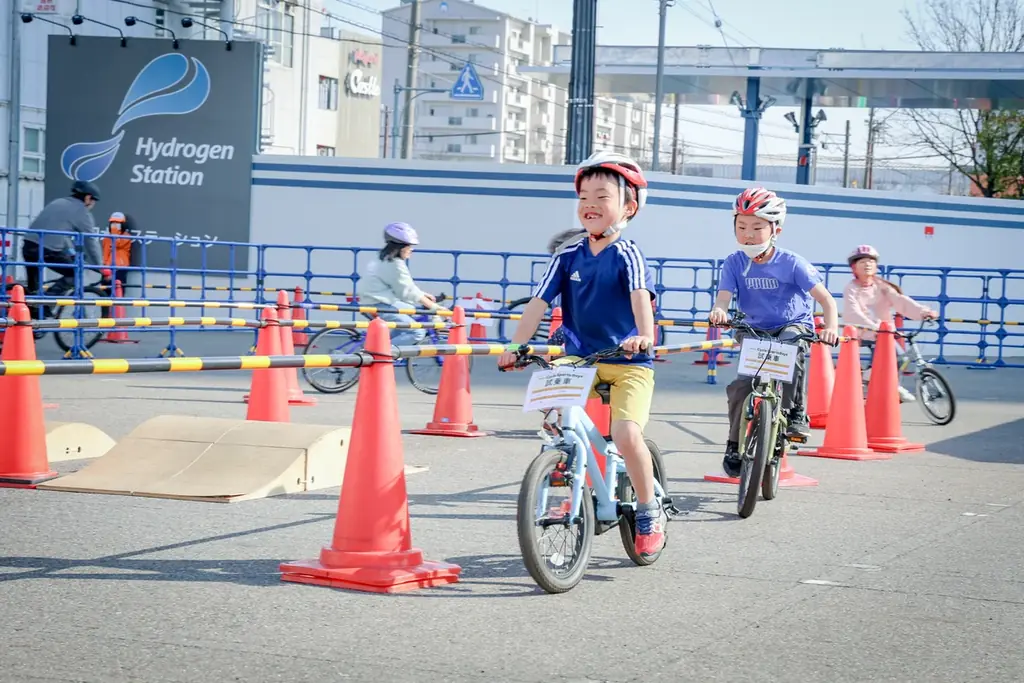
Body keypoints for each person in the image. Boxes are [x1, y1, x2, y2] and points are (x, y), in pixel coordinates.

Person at [497, 151, 666, 558]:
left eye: (602, 196)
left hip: (627, 363)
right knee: (557, 420)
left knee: (626, 435)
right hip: (580, 359)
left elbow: (640, 295)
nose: (589, 203)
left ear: (628, 207)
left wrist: (644, 335)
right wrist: (516, 345)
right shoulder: (566, 256)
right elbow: (538, 302)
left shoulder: (627, 253)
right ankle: (565, 475)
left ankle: (648, 510)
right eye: (584, 195)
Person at [708, 187, 840, 479]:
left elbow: (826, 300)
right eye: (741, 226)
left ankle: (796, 412)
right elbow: (724, 297)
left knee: (791, 350)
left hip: (792, 324)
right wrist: (720, 311)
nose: (748, 234)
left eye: (757, 227)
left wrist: (830, 328)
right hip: (754, 327)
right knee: (742, 386)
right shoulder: (734, 262)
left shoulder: (792, 262)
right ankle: (733, 444)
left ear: (775, 229)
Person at [843, 244, 938, 403]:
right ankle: (888, 386)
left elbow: (901, 301)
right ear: (854, 267)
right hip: (865, 331)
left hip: (885, 332)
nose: (867, 265)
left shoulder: (882, 286)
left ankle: (877, 383)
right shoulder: (851, 288)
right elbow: (853, 312)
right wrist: (874, 327)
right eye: (862, 262)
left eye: (871, 262)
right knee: (897, 359)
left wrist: (923, 312)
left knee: (897, 360)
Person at [20, 180, 105, 320]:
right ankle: (47, 303)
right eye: (94, 201)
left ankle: (30, 313)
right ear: (88, 197)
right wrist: (100, 266)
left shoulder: (58, 202)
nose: (92, 205)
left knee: (34, 289)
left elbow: (60, 232)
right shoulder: (82, 212)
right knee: (76, 274)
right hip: (47, 250)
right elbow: (90, 241)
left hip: (28, 245)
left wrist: (70, 253)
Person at [356, 222, 445, 349]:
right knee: (417, 332)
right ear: (401, 248)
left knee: (408, 311)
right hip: (378, 303)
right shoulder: (395, 264)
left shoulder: (383, 258)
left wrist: (423, 294)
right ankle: (378, 353)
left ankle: (381, 346)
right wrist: (433, 306)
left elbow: (404, 285)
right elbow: (407, 290)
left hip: (375, 300)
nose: (411, 250)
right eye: (409, 247)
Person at [101, 211, 136, 294]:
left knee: (119, 293)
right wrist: (104, 268)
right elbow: (105, 252)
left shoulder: (127, 236)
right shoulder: (107, 237)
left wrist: (114, 232)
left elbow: (117, 243)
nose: (115, 225)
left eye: (117, 223)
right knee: (105, 293)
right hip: (108, 268)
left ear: (123, 224)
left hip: (121, 268)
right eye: (113, 223)